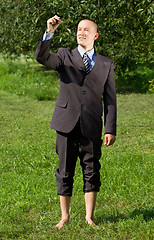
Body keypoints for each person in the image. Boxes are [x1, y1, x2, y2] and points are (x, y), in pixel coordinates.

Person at [36, 15, 117, 229]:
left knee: (92, 169)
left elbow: (110, 100)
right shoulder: (64, 56)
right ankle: (65, 216)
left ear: (95, 35)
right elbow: (43, 58)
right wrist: (49, 32)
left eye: (86, 30)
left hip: (91, 125)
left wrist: (110, 128)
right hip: (65, 123)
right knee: (65, 170)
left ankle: (89, 216)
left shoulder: (106, 64)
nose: (81, 32)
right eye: (79, 29)